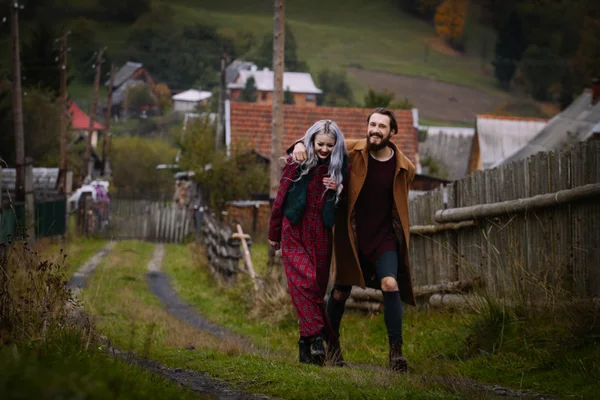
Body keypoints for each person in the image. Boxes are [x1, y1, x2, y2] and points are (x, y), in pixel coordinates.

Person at [290, 108, 416, 372]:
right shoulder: (350, 149)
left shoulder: (404, 167)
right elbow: (319, 142)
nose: (375, 130)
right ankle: (333, 350)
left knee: (390, 284)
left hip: (383, 238)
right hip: (351, 236)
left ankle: (396, 355)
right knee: (339, 292)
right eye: (372, 124)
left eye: (382, 126)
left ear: (392, 132)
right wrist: (299, 144)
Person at [268, 119, 349, 366]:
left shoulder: (341, 167)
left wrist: (340, 188)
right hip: (293, 230)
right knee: (308, 283)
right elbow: (280, 198)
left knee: (315, 291)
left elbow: (345, 206)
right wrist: (274, 234)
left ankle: (307, 349)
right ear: (312, 141)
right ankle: (322, 342)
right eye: (320, 143)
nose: (324, 149)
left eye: (329, 145)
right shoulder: (298, 161)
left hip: (321, 235)